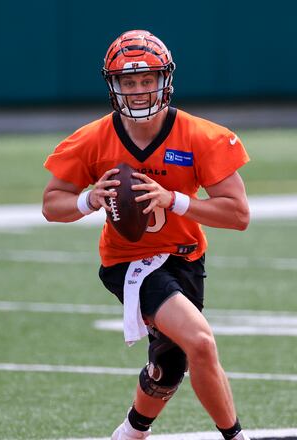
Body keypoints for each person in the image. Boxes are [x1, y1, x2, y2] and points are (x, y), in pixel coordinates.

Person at [41, 30, 251, 440]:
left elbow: (239, 215)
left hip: (186, 256)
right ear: (113, 86)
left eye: (147, 80)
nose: (138, 91)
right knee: (201, 342)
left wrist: (175, 201)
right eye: (128, 82)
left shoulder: (200, 136)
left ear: (164, 80)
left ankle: (131, 432)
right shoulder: (92, 139)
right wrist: (88, 200)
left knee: (169, 367)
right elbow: (52, 204)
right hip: (128, 262)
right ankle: (236, 437)